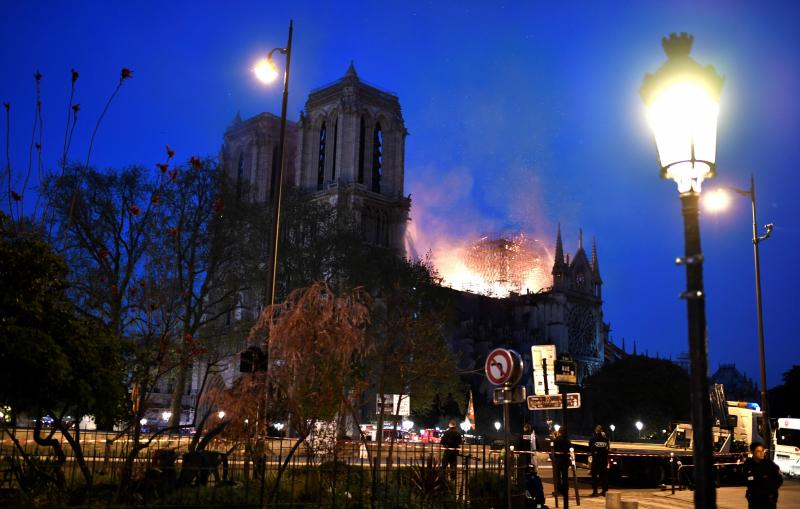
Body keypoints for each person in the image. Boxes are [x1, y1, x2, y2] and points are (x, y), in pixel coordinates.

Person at [743, 441, 782, 509]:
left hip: (768, 500)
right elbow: (745, 479)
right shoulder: (748, 464)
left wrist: (771, 490)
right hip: (754, 500)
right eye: (758, 451)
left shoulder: (769, 464)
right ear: (752, 452)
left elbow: (779, 479)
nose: (761, 453)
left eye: (762, 451)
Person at [551, 428, 571, 504]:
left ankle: (558, 490)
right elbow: (571, 450)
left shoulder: (555, 440)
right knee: (565, 476)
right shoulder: (568, 441)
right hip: (565, 461)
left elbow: (551, 450)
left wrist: (553, 459)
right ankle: (565, 490)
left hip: (557, 461)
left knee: (557, 476)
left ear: (559, 432)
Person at [589, 424, 610, 496]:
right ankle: (604, 491)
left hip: (596, 460)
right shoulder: (606, 439)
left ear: (596, 431)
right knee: (603, 476)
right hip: (604, 460)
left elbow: (590, 448)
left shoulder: (593, 439)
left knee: (594, 476)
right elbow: (608, 449)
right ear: (602, 431)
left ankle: (595, 491)